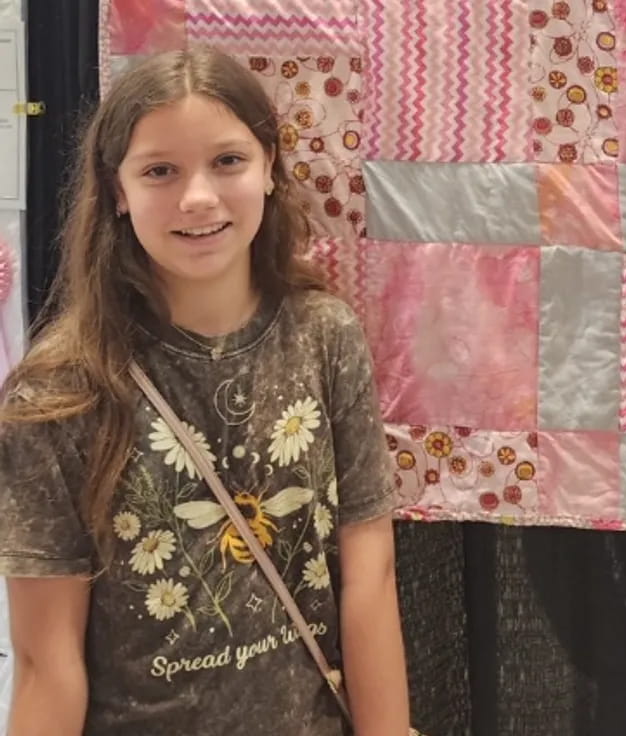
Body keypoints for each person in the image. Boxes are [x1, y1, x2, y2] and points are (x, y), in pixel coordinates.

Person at [0, 47, 410, 735]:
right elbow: (48, 664)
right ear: (118, 192)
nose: (198, 197)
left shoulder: (325, 337)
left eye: (227, 161)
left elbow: (371, 582)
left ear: (270, 168)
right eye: (160, 170)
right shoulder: (57, 396)